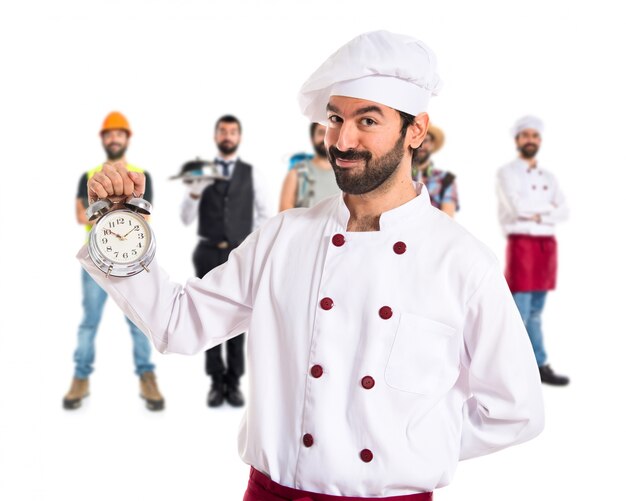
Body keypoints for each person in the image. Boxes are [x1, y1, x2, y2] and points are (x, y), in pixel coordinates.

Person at [80, 31, 543, 499]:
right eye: (335, 118)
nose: (343, 139)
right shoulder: (285, 237)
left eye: (367, 120)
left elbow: (516, 410)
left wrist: (413, 445)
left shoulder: (464, 263)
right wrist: (118, 225)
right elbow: (178, 324)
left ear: (416, 131)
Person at [64, 111, 164, 411]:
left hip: (130, 260)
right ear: (104, 139)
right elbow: (81, 215)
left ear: (126, 138)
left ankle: (147, 376)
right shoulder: (90, 176)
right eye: (109, 134)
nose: (114, 138)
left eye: (119, 133)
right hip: (96, 260)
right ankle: (80, 378)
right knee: (89, 323)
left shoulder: (140, 176)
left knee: (138, 323)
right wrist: (107, 207)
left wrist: (116, 210)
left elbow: (144, 217)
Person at [179, 114, 270, 408]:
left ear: (239, 137)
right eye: (223, 131)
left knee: (238, 315)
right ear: (216, 137)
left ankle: (234, 381)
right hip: (207, 251)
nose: (228, 136)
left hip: (239, 252)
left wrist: (252, 248)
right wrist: (195, 189)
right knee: (206, 316)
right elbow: (185, 217)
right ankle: (215, 381)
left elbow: (264, 215)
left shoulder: (252, 173)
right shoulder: (201, 173)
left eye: (232, 131)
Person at [497, 115, 570, 386]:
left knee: (537, 311)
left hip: (546, 247)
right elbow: (517, 208)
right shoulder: (507, 172)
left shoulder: (549, 176)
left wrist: (537, 215)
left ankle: (539, 364)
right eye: (526, 135)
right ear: (517, 140)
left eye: (535, 136)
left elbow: (565, 211)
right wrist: (546, 212)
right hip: (523, 245)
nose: (531, 140)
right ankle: (511, 370)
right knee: (519, 312)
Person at [279, 123, 341, 210]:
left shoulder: (347, 172)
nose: (325, 138)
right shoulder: (297, 172)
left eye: (329, 133)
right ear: (312, 138)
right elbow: (284, 215)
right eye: (321, 133)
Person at [411, 124, 459, 217]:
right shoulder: (396, 176)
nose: (421, 145)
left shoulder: (446, 180)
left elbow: (447, 220)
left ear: (432, 144)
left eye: (425, 140)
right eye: (418, 140)